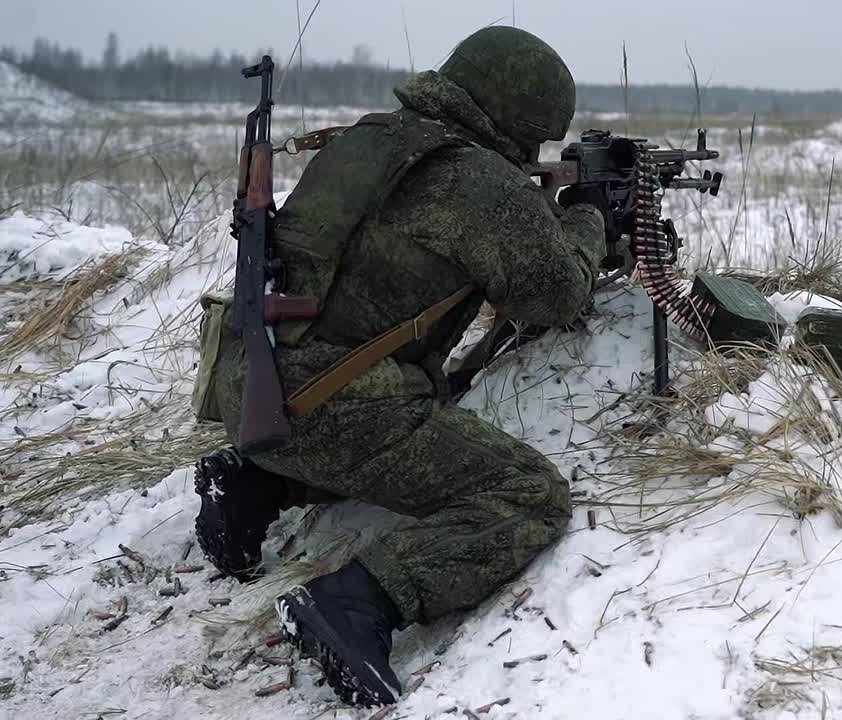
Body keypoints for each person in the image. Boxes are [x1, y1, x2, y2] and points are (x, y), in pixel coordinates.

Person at [193, 26, 606, 707]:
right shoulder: (477, 182)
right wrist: (587, 219)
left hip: (255, 380)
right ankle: (357, 602)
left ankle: (254, 483)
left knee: (397, 413)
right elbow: (555, 295)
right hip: (333, 409)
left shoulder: (369, 138)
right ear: (522, 117)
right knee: (530, 496)